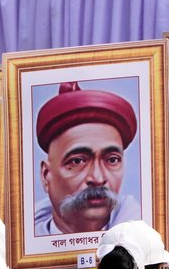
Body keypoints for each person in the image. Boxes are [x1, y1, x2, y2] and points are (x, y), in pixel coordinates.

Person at [34, 81, 140, 235]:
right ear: (45, 176)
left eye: (112, 160)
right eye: (77, 161)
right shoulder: (18, 243)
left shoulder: (145, 236)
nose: (97, 178)